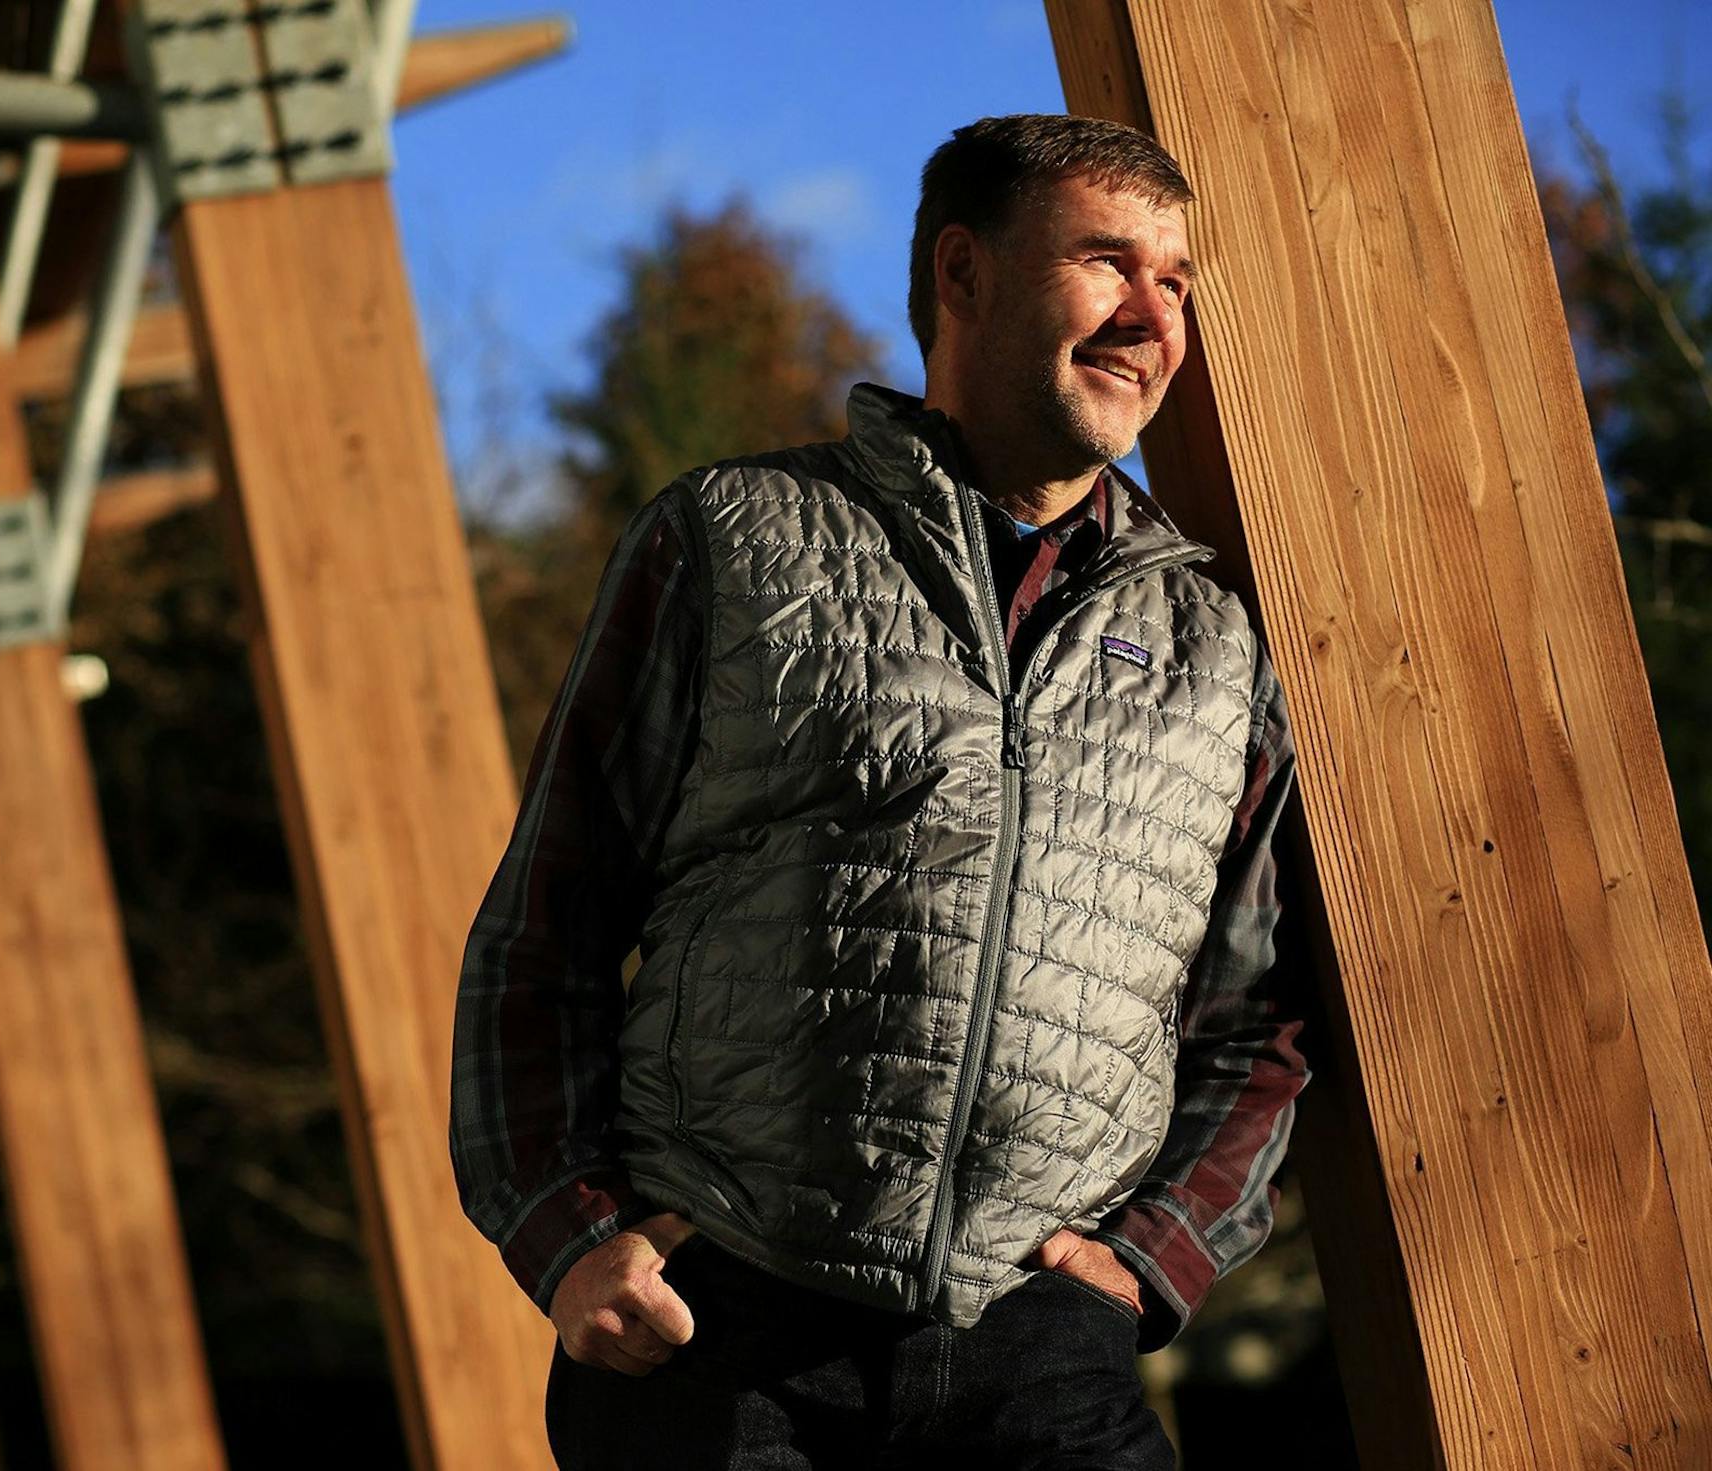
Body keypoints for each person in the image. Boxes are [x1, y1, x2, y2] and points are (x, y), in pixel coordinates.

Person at [451, 113, 1311, 1468]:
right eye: (1109, 263)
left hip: (1043, 1355)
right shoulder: (728, 537)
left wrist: (1153, 1264)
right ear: (962, 276)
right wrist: (568, 1234)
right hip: (719, 1343)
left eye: (1179, 281)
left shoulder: (1217, 643)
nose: (1154, 316)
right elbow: (544, 925)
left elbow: (1259, 1016)